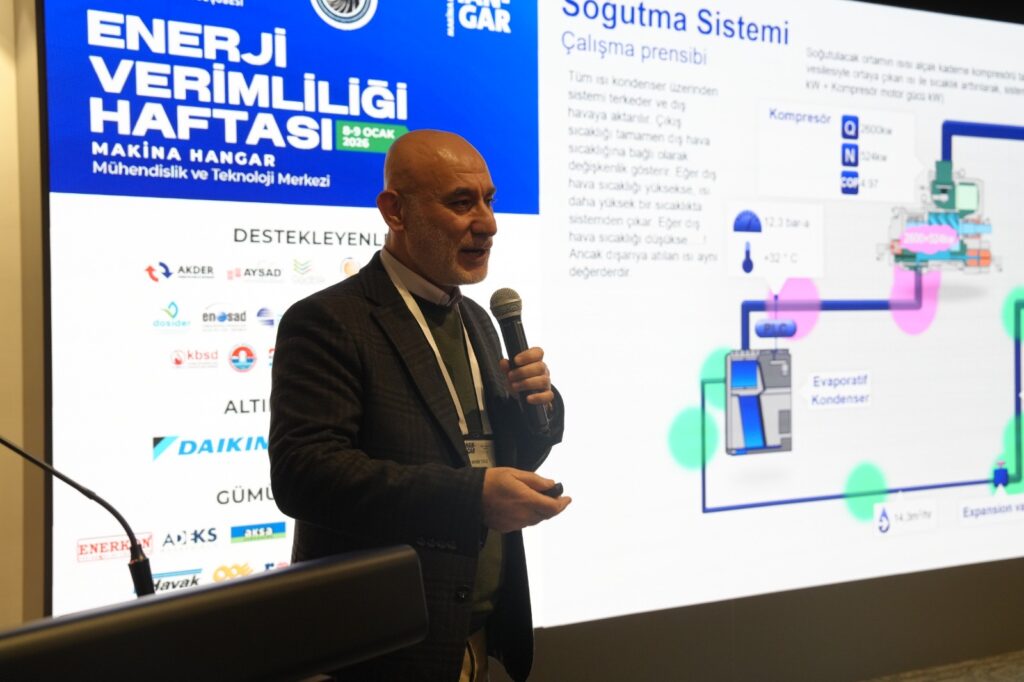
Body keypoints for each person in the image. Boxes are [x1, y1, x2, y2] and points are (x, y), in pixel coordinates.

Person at [269, 129, 570, 681]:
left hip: (472, 634)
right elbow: (304, 475)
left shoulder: (478, 320)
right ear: (395, 212)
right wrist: (472, 498)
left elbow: (494, 454)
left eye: (489, 200)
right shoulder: (331, 320)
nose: (488, 223)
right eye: (461, 202)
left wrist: (535, 408)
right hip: (381, 649)